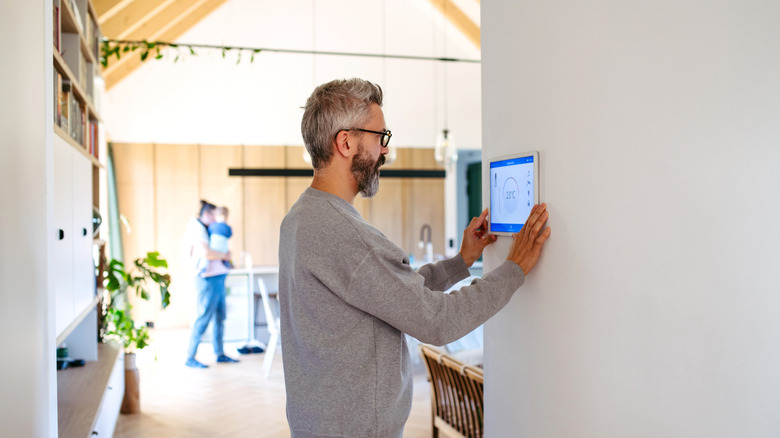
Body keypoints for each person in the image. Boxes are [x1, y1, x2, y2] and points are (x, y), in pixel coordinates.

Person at [278, 78, 551, 437]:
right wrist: (514, 269)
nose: (385, 152)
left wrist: (462, 261)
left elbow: (390, 293)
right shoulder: (345, 234)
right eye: (381, 137)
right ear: (345, 142)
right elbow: (438, 321)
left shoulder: (300, 217)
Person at [184, 200, 239, 368]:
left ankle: (220, 353)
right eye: (215, 216)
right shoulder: (197, 229)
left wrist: (224, 255)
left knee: (219, 317)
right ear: (207, 214)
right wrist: (224, 255)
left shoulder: (208, 228)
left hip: (218, 277)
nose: (217, 220)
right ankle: (190, 357)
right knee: (204, 317)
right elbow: (207, 254)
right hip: (207, 279)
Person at [202, 206, 232, 277]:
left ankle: (203, 268)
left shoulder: (212, 225)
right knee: (225, 257)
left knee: (207, 259)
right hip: (223, 248)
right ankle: (227, 264)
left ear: (216, 217)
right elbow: (230, 234)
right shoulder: (228, 227)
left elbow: (209, 233)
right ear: (227, 217)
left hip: (214, 247)